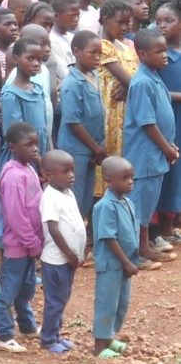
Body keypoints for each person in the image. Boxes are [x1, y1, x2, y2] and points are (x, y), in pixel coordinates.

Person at [123, 30, 180, 267]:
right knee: (138, 206)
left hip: (156, 154)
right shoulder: (142, 82)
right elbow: (147, 123)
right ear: (142, 54)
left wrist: (169, 144)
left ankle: (144, 247)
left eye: (165, 50)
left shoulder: (154, 77)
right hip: (145, 155)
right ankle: (132, 254)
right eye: (158, 52)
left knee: (147, 206)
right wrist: (167, 148)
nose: (164, 55)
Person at [0, 123, 43, 352]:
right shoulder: (13, 175)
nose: (35, 149)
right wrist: (32, 242)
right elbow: (16, 214)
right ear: (13, 147)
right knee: (8, 291)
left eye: (36, 144)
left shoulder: (29, 168)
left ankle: (27, 326)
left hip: (30, 245)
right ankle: (4, 334)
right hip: (18, 245)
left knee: (26, 289)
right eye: (29, 145)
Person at [38, 149, 86, 355]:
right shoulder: (50, 197)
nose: (71, 175)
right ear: (48, 176)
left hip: (69, 260)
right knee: (55, 301)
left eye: (72, 170)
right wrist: (69, 254)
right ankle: (48, 339)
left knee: (63, 298)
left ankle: (56, 334)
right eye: (65, 171)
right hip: (56, 261)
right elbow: (54, 229)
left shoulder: (68, 193)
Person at [93, 156, 139, 358]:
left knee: (121, 302)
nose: (130, 181)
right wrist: (126, 262)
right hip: (112, 263)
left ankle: (109, 337)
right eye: (124, 178)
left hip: (123, 264)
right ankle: (99, 346)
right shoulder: (105, 206)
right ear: (108, 180)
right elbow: (109, 238)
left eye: (131, 177)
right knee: (107, 302)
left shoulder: (127, 202)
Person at [57, 31, 106, 222]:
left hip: (93, 149)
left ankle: (80, 241)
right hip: (76, 149)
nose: (97, 57)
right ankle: (70, 243)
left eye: (99, 53)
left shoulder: (94, 75)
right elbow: (73, 122)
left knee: (86, 197)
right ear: (76, 52)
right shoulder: (72, 84)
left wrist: (97, 147)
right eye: (92, 52)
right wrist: (96, 149)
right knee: (74, 196)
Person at [155, 0, 181, 249]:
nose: (162, 26)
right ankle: (163, 226)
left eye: (169, 21)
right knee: (170, 170)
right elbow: (157, 90)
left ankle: (173, 223)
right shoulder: (162, 57)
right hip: (170, 118)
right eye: (158, 21)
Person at [1, 37, 50, 156]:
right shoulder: (11, 95)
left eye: (39, 60)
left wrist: (49, 153)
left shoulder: (38, 89)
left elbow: (45, 129)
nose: (36, 64)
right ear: (15, 58)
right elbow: (16, 136)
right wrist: (37, 160)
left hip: (41, 151)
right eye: (30, 59)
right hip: (23, 156)